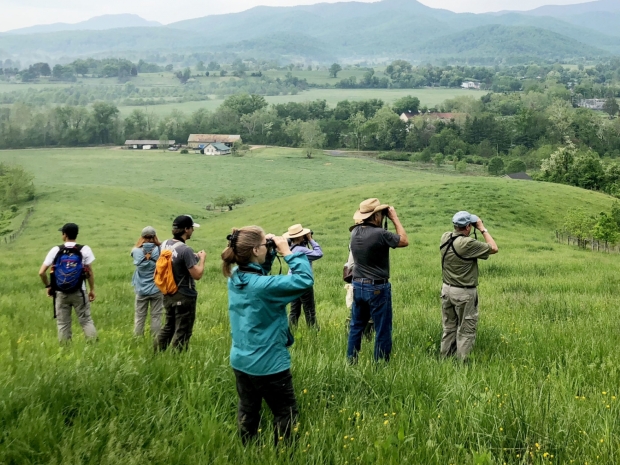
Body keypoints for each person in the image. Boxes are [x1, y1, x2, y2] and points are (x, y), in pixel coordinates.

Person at [222, 226, 314, 446]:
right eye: (264, 244)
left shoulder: (235, 277)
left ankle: (248, 448)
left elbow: (258, 270)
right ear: (254, 250)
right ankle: (284, 454)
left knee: (248, 407)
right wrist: (288, 253)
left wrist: (269, 249)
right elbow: (303, 280)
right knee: (285, 412)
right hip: (269, 363)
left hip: (241, 360)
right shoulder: (264, 287)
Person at [346, 198, 408, 363]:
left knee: (356, 327)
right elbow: (404, 240)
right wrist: (394, 218)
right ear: (375, 216)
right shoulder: (380, 234)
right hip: (377, 287)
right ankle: (380, 365)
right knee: (382, 329)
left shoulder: (354, 232)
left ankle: (351, 361)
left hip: (358, 285)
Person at [440, 211, 498, 361]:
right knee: (466, 330)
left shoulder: (445, 237)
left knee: (449, 328)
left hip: (447, 290)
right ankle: (462, 364)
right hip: (464, 293)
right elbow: (493, 248)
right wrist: (482, 229)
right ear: (467, 227)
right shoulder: (467, 243)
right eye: (470, 225)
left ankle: (445, 359)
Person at [38, 223, 97, 343]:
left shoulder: (56, 250)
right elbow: (89, 272)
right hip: (80, 291)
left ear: (64, 235)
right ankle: (94, 347)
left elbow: (41, 272)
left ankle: (65, 351)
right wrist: (92, 290)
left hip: (60, 292)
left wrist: (49, 286)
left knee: (63, 323)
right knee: (86, 320)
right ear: (76, 234)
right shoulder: (84, 249)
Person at [154, 215, 206, 352]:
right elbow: (197, 275)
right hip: (184, 295)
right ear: (186, 229)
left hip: (168, 293)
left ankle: (156, 353)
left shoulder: (164, 244)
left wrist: (191, 257)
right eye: (192, 228)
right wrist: (202, 259)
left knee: (169, 326)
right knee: (183, 330)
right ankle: (177, 359)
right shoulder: (186, 250)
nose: (193, 231)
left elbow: (174, 261)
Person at [283, 223, 323, 328]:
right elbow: (318, 254)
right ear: (300, 236)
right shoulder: (302, 250)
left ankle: (291, 330)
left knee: (294, 310)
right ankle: (313, 332)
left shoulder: (290, 248)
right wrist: (310, 239)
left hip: (292, 281)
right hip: (303, 282)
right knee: (310, 310)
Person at [131, 226, 164, 338]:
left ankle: (137, 338)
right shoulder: (160, 250)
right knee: (156, 316)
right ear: (155, 236)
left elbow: (133, 253)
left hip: (141, 289)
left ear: (142, 237)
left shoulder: (135, 251)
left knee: (140, 316)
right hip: (156, 288)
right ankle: (156, 338)